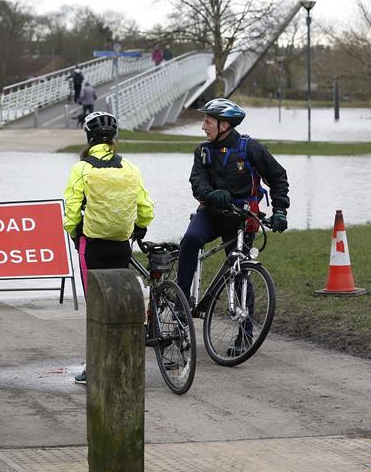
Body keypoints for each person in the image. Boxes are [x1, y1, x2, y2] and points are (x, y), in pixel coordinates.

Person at [175, 98, 289, 330]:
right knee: (190, 240)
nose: (203, 126)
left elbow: (278, 177)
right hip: (212, 213)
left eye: (208, 121)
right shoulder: (203, 151)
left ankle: (245, 333)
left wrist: (280, 210)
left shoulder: (250, 148)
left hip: (242, 218)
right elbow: (197, 182)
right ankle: (181, 300)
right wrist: (211, 193)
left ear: (224, 125)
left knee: (240, 273)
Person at [62, 111, 154, 384]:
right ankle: (124, 364)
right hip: (121, 246)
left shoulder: (82, 168)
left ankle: (96, 369)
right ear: (114, 139)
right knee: (119, 307)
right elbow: (146, 207)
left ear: (89, 138)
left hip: (92, 247)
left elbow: (72, 209)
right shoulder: (130, 167)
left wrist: (74, 232)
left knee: (97, 311)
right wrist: (140, 227)